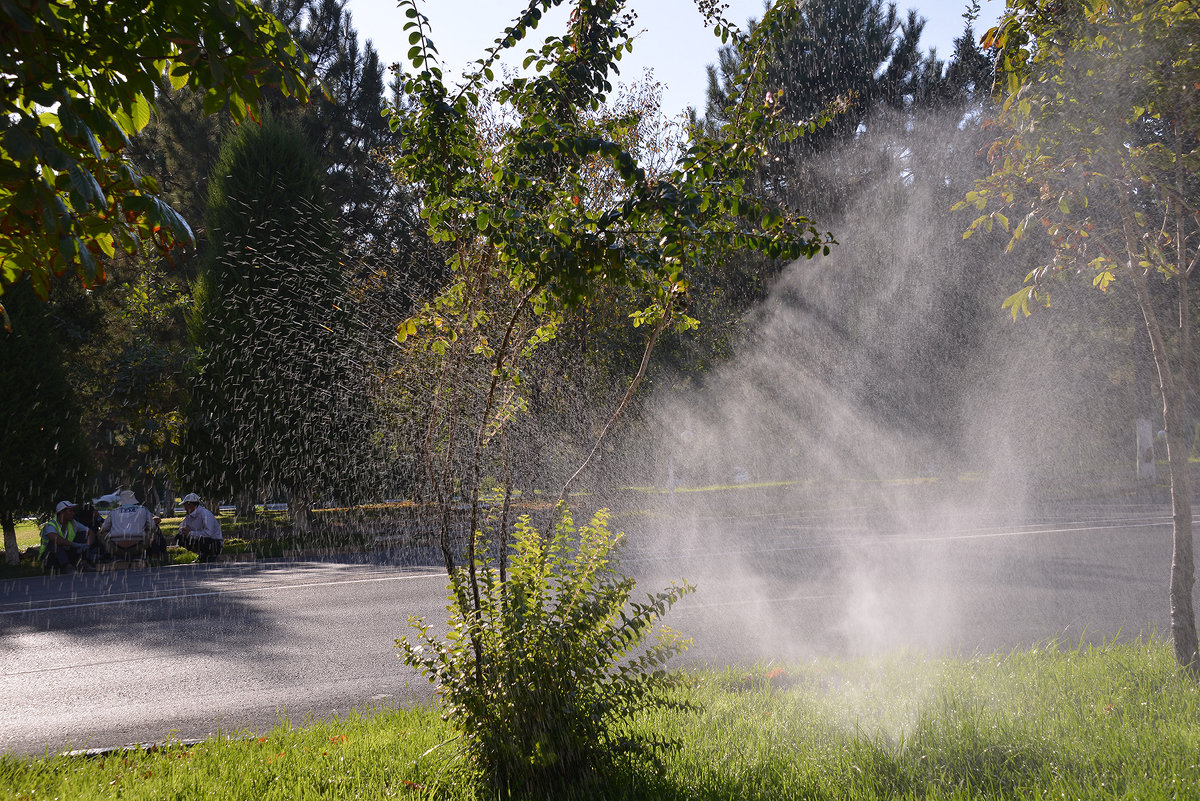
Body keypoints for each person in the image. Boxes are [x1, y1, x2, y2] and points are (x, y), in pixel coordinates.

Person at [40, 500, 100, 574]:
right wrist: (75, 545)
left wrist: (87, 545)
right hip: (49, 558)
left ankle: (82, 563)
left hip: (65, 553)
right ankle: (67, 567)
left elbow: (90, 532)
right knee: (54, 543)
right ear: (62, 513)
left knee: (83, 534)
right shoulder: (50, 525)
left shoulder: (73, 523)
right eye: (70, 511)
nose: (73, 513)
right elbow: (55, 539)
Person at [99, 490, 156, 561]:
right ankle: (151, 555)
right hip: (138, 546)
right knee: (152, 532)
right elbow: (152, 526)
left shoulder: (113, 511)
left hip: (116, 547)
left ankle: (112, 555)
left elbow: (104, 529)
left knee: (101, 534)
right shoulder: (143, 509)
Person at [176, 492, 223, 563]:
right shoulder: (189, 515)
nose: (184, 508)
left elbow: (208, 533)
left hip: (214, 542)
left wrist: (190, 533)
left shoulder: (205, 514)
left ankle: (212, 555)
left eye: (185, 505)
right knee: (180, 538)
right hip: (200, 539)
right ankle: (202, 554)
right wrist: (183, 530)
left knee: (201, 541)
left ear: (190, 504)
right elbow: (182, 526)